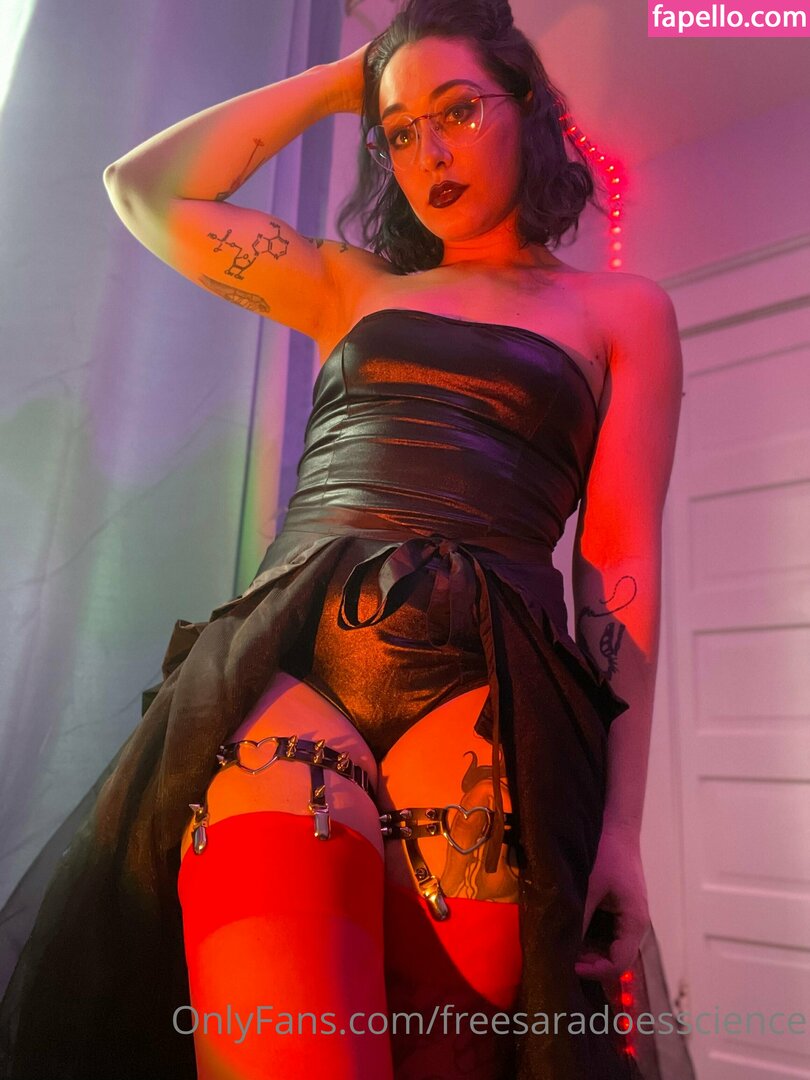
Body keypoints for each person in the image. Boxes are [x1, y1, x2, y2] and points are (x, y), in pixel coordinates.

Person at [0, 1, 697, 1078]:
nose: (429, 151)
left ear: (528, 106)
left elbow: (618, 568)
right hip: (293, 656)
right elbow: (143, 189)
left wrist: (621, 829)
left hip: (492, 684)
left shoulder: (622, 311)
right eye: (400, 130)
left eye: (458, 110)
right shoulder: (351, 286)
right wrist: (349, 78)